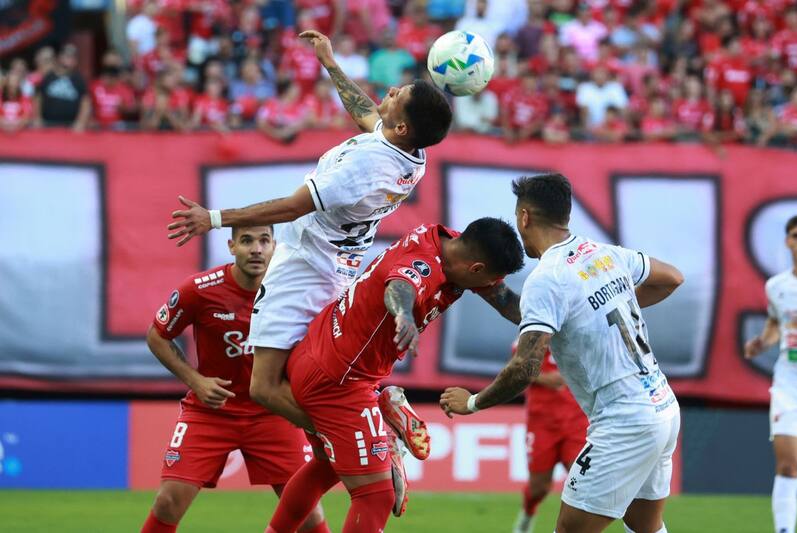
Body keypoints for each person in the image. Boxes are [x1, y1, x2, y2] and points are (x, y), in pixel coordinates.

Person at [166, 29, 452, 460]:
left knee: (263, 386)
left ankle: (369, 431)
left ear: (402, 125)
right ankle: (370, 419)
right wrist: (331, 64)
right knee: (310, 376)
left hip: (305, 266)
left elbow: (290, 207)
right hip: (339, 266)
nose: (389, 91)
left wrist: (214, 218)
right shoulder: (410, 151)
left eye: (398, 94)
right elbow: (368, 115)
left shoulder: (365, 167)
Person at [440, 173, 684, 533]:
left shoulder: (547, 277)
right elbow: (672, 277)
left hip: (625, 421)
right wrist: (603, 311)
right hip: (663, 407)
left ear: (524, 217)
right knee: (643, 526)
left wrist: (472, 403)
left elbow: (524, 368)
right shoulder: (606, 254)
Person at [266, 219, 526, 533]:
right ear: (476, 268)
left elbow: (506, 301)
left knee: (325, 466)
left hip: (317, 351)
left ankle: (381, 415)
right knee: (376, 495)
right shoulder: (427, 265)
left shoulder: (448, 242)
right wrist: (403, 314)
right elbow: (399, 286)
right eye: (491, 277)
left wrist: (550, 322)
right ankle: (382, 422)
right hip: (339, 382)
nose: (493, 285)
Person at [140, 225, 328, 533]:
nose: (256, 249)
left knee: (308, 514)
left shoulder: (293, 292)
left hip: (273, 413)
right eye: (247, 241)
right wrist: (196, 381)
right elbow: (157, 336)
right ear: (231, 246)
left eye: (264, 241)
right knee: (167, 502)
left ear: (274, 246)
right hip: (211, 413)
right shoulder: (199, 289)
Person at [744, 214, 797, 533]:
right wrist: (762, 342)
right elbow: (777, 323)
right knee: (788, 465)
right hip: (789, 385)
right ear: (787, 241)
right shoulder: (777, 287)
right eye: (795, 236)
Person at [513, 344, 589, 533]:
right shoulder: (535, 330)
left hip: (576, 420)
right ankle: (527, 514)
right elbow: (516, 368)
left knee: (582, 480)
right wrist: (544, 377)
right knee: (539, 488)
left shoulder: (581, 328)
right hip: (542, 422)